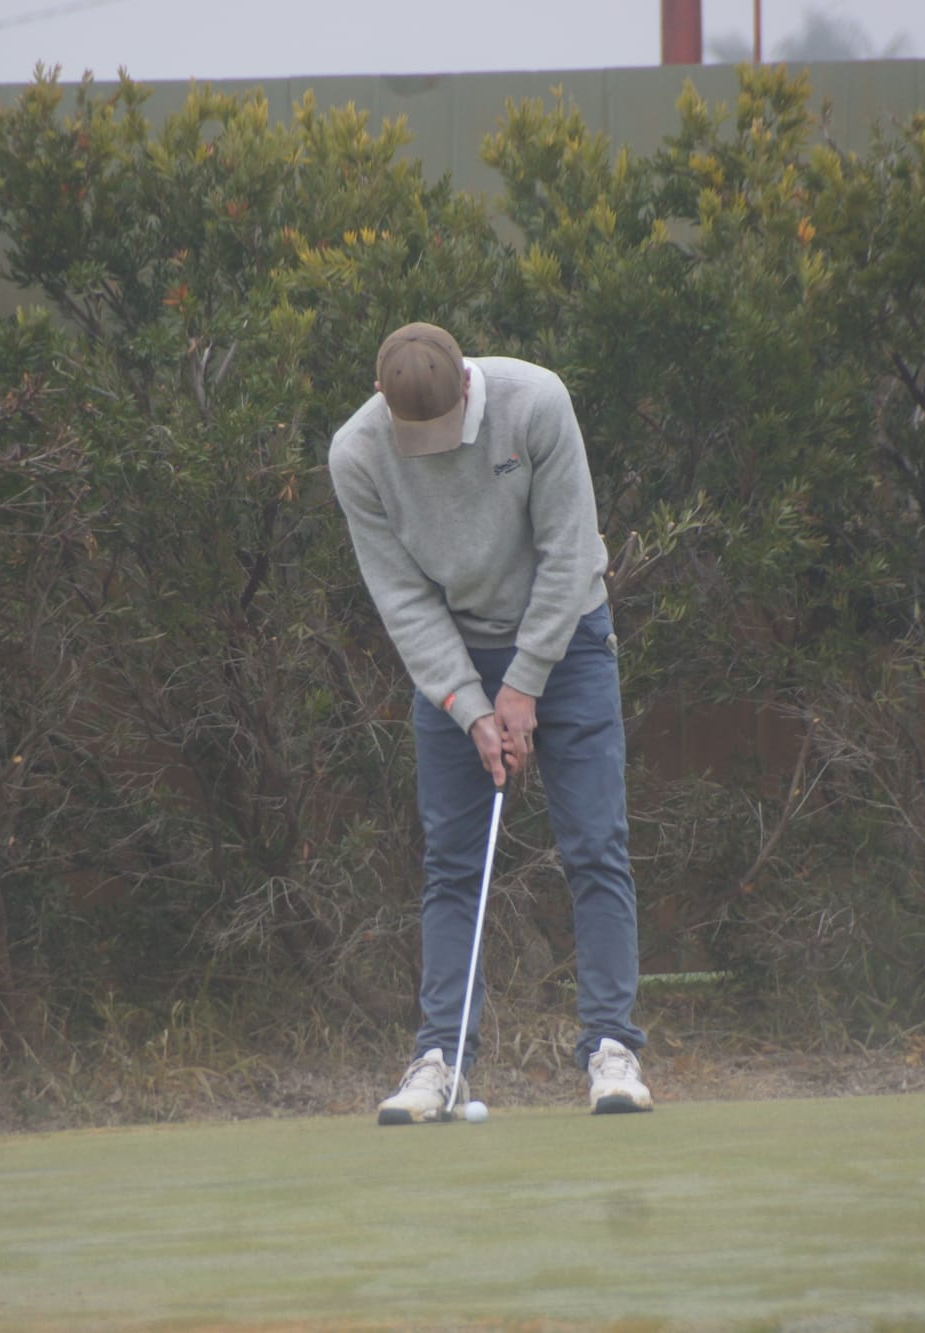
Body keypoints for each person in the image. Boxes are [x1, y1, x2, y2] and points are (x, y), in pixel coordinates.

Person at [328, 321, 652, 1124]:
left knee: (595, 843)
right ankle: (440, 1058)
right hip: (457, 653)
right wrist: (472, 704)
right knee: (451, 864)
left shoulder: (536, 401)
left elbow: (570, 550)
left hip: (568, 637)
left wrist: (525, 683)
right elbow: (402, 597)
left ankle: (612, 1048)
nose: (435, 452)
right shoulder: (357, 454)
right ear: (381, 402)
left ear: (468, 385)